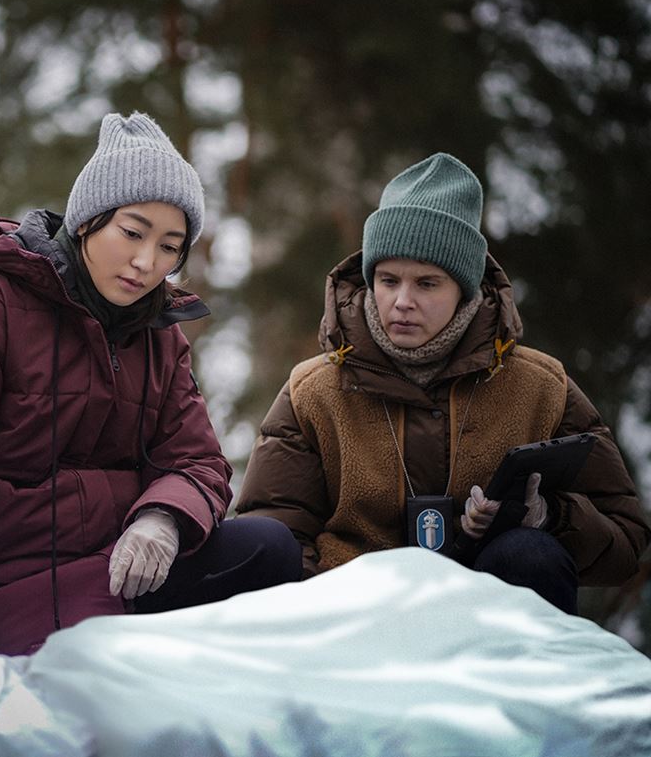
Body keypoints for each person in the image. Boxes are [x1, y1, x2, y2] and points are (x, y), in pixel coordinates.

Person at [0, 112, 301, 683]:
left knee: (268, 548)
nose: (147, 263)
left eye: (170, 247)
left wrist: (162, 518)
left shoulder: (160, 335)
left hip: (120, 575)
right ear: (85, 221)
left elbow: (197, 460)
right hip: (6, 597)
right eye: (132, 233)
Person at [236, 152, 649, 613]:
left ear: (465, 289)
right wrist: (335, 606)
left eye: (427, 283)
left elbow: (626, 540)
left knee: (529, 553)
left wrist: (548, 516)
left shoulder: (541, 386)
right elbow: (276, 533)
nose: (402, 301)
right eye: (388, 280)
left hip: (490, 618)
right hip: (358, 614)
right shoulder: (313, 390)